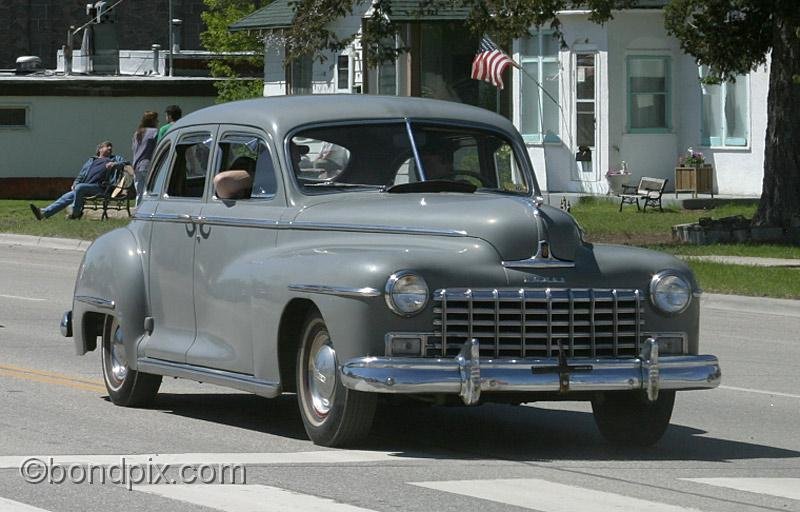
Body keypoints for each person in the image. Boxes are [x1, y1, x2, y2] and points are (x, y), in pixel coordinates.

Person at [29, 141, 128, 220]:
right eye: (107, 146)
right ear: (100, 149)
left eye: (111, 147)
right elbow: (81, 175)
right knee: (67, 196)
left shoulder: (114, 158)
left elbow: (125, 163)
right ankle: (43, 213)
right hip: (86, 188)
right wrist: (75, 183)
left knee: (80, 187)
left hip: (101, 188)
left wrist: (114, 164)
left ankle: (75, 214)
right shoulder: (91, 161)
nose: (110, 148)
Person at [131, 111, 159, 204]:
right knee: (149, 192)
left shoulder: (137, 133)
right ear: (153, 121)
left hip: (136, 166)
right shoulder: (154, 132)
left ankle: (137, 211)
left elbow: (134, 149)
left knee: (139, 193)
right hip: (148, 165)